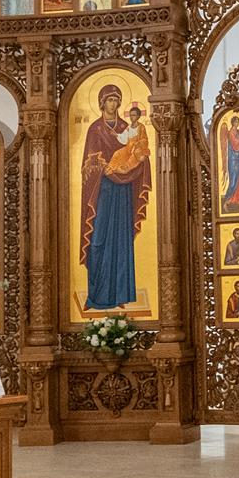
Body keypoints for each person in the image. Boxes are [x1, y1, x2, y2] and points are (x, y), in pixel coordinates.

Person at [78, 86, 152, 311]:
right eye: (109, 100)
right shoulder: (95, 129)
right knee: (97, 238)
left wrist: (134, 162)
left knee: (121, 240)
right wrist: (104, 168)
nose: (112, 104)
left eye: (115, 100)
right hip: (101, 191)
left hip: (122, 193)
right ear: (102, 103)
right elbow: (88, 164)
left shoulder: (126, 128)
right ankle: (95, 296)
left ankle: (120, 294)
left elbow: (139, 152)